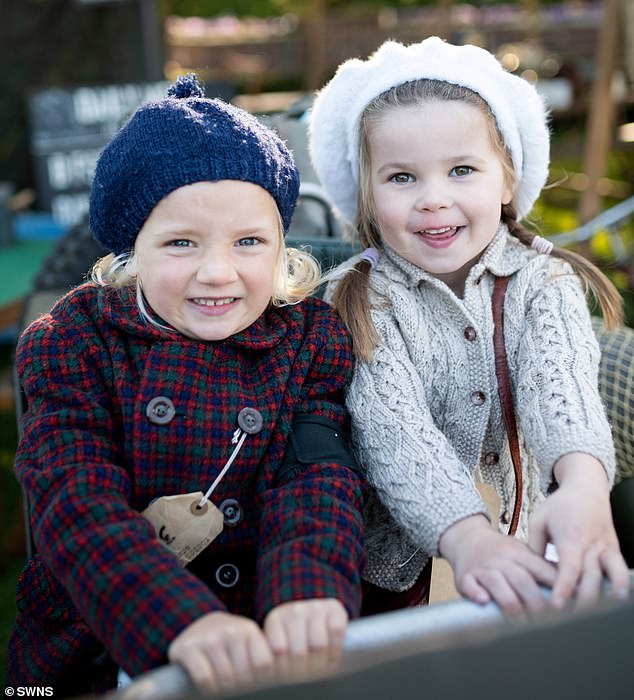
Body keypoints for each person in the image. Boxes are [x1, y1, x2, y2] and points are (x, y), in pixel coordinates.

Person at [8, 74, 365, 696]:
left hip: (258, 627)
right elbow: (75, 503)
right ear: (131, 250)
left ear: (281, 245)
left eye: (249, 242)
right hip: (100, 639)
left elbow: (314, 480)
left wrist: (307, 588)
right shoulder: (74, 343)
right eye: (180, 243)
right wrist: (176, 620)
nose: (218, 272)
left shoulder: (309, 339)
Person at [308, 37, 630, 618]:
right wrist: (467, 538)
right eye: (402, 177)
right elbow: (395, 436)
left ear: (507, 181)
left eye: (461, 170)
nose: (434, 200)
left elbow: (561, 392)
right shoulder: (358, 299)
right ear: (366, 193)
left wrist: (582, 485)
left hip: (528, 543)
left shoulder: (542, 283)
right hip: (395, 579)